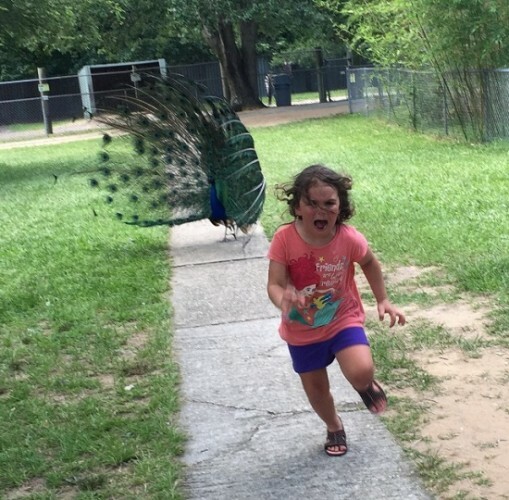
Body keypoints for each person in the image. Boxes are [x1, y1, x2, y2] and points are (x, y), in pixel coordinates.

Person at [266, 164, 405, 457]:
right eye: (311, 203)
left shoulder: (349, 238)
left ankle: (364, 385)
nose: (321, 210)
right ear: (297, 207)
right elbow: (274, 284)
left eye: (329, 203)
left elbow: (369, 262)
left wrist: (383, 299)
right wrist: (283, 299)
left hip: (343, 318)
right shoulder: (284, 239)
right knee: (317, 391)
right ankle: (334, 426)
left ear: (340, 206)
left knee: (361, 370)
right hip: (301, 329)